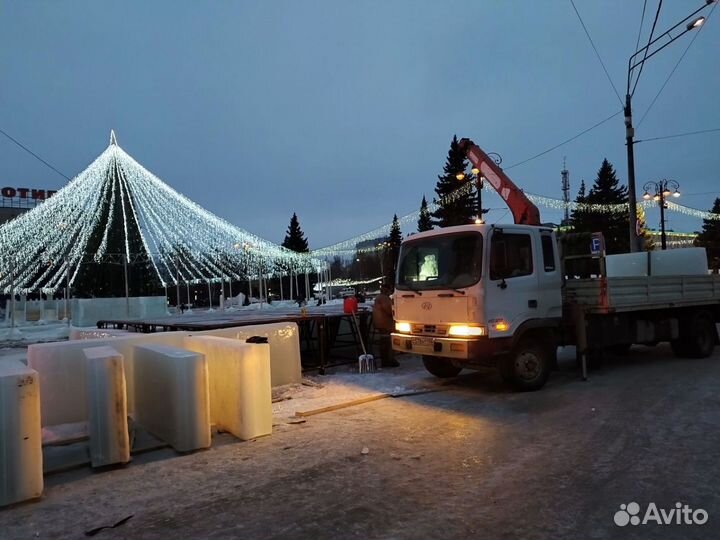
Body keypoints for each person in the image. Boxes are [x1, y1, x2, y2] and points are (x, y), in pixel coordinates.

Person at [373, 283, 398, 368]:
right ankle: (388, 360)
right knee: (388, 342)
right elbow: (390, 311)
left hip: (380, 323)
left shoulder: (378, 298)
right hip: (385, 324)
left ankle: (385, 360)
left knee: (384, 341)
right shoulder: (384, 298)